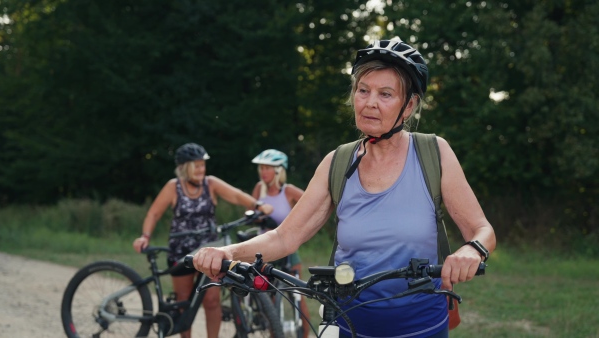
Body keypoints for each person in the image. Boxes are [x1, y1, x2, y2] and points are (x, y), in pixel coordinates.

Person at [192, 38, 497, 338]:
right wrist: (226, 251)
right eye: (363, 91)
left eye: (386, 94)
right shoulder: (336, 163)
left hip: (422, 327)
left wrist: (471, 250)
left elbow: (482, 229)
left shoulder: (434, 153)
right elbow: (285, 237)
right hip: (350, 326)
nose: (370, 102)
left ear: (410, 105)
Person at [132, 142, 273, 338]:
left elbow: (236, 195)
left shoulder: (211, 183)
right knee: (184, 303)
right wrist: (145, 236)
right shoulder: (173, 187)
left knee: (212, 301)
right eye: (196, 165)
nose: (201, 169)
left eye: (202, 165)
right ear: (184, 167)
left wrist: (258, 205)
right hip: (181, 252)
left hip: (210, 249)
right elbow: (154, 214)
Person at [250, 149, 311, 338]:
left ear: (278, 171)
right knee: (270, 301)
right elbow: (250, 213)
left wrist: (297, 227)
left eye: (267, 168)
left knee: (298, 297)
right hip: (265, 250)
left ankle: (305, 334)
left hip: (288, 249)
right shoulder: (258, 189)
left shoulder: (289, 191)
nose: (263, 172)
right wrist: (258, 219)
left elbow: (313, 205)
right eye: (261, 168)